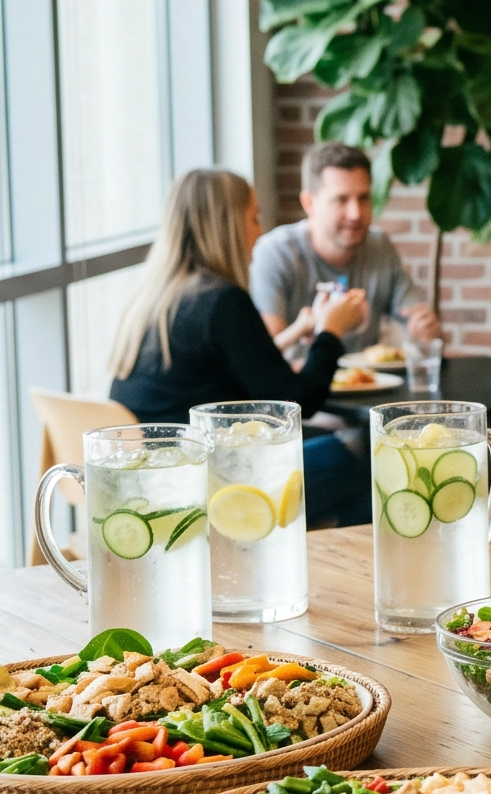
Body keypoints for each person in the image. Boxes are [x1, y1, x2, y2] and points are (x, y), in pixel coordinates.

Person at [106, 168, 372, 527]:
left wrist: (296, 332)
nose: (259, 232)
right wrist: (331, 332)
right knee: (365, 451)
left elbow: (227, 368)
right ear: (227, 225)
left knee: (330, 454)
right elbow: (298, 403)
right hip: (206, 494)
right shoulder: (223, 302)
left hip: (145, 487)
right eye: (254, 217)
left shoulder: (159, 295)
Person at [252, 142, 445, 359]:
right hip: (299, 389)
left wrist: (425, 331)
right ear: (309, 203)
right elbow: (267, 353)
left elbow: (421, 324)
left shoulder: (379, 246)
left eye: (363, 198)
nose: (355, 213)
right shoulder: (276, 253)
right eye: (341, 200)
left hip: (367, 386)